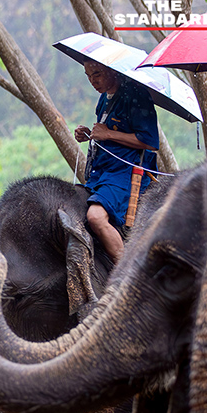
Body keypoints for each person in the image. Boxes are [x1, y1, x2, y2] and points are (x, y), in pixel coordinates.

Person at [74, 60, 159, 264]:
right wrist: (90, 134)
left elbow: (150, 142)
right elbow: (106, 133)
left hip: (125, 173)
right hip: (100, 172)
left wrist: (108, 134)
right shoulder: (104, 97)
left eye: (97, 74)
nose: (93, 81)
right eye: (88, 76)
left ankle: (125, 272)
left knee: (95, 216)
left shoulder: (136, 95)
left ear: (112, 70)